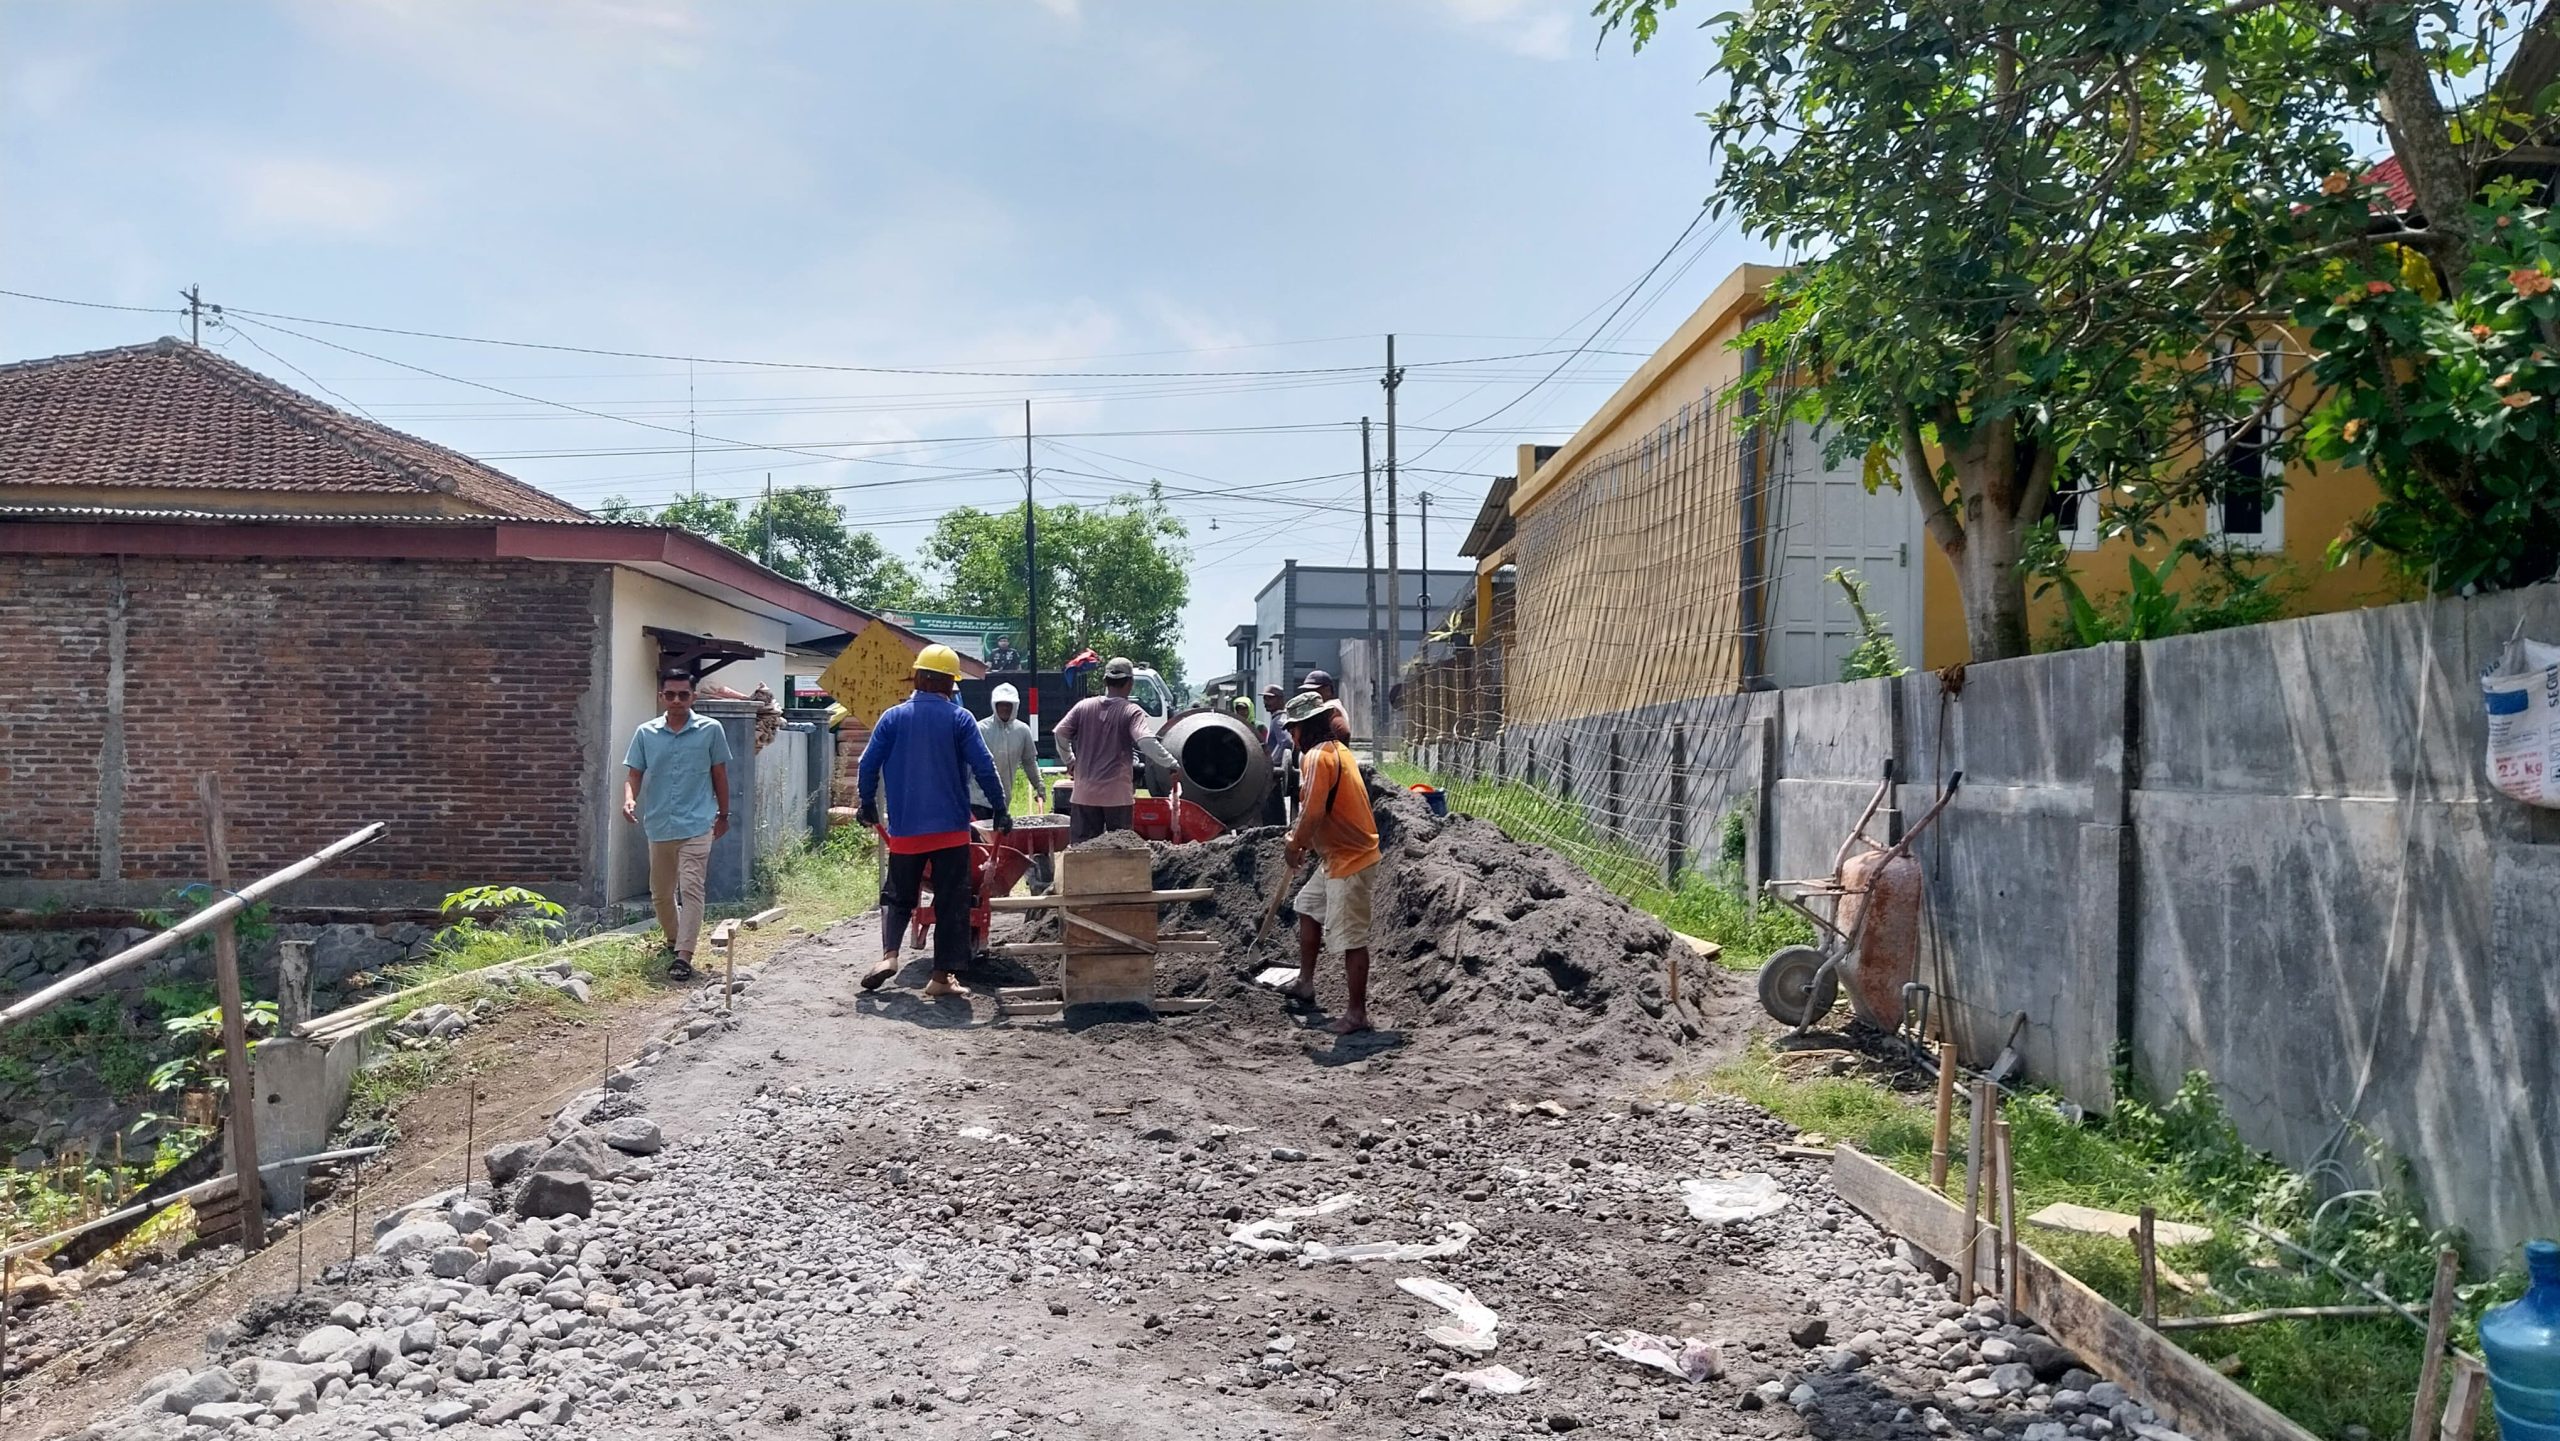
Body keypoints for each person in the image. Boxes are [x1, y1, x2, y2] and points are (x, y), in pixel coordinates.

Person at [857, 644, 1007, 998]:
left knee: (897, 895)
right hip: (951, 833)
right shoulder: (960, 719)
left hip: (905, 832)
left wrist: (867, 803)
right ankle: (941, 978)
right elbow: (984, 766)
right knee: (952, 903)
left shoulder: (892, 718)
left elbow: (867, 764)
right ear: (949, 684)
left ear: (917, 677)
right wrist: (1000, 807)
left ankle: (890, 956)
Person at [1278, 691, 1380, 1034]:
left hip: (1351, 859)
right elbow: (1320, 810)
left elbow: (1312, 811)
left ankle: (1357, 1014)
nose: (1292, 737)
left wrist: (1295, 843)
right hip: (1337, 855)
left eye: (1293, 730)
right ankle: (1305, 983)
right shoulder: (1336, 751)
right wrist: (1306, 840)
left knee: (1352, 938)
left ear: (1304, 728)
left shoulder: (1317, 757)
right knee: (1307, 907)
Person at [622, 671, 731, 982]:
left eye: (683, 694)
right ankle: (673, 939)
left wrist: (724, 815)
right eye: (670, 695)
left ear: (693, 697)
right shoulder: (646, 733)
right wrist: (629, 799)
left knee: (692, 889)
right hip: (659, 824)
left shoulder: (711, 730)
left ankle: (684, 955)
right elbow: (634, 774)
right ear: (661, 697)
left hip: (697, 823)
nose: (676, 700)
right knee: (660, 893)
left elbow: (719, 774)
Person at [1052, 656, 1179, 842]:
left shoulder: (1083, 707)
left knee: (1081, 850)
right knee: (1120, 850)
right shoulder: (1131, 711)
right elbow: (1145, 741)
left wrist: (1070, 761)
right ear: (1130, 683)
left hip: (1084, 794)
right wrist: (1171, 764)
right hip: (1117, 796)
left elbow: (1060, 734)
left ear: (1105, 681)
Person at [972, 682, 1041, 821]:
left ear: (1015, 706)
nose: (1004, 708)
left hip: (1004, 798)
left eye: (1008, 705)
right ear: (994, 705)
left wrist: (1039, 785)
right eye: (1001, 704)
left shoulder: (1022, 731)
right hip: (979, 799)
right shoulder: (980, 729)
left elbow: (1029, 761)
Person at [1259, 683, 1294, 826]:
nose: (1266, 702)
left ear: (1280, 699)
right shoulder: (1277, 718)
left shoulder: (1279, 720)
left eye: (1270, 698)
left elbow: (1286, 742)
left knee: (1272, 812)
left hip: (1274, 774)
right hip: (1274, 773)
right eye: (1265, 699)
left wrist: (1272, 763)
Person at [1297, 669, 1357, 747]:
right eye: (1307, 690)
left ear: (1328, 690)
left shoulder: (1330, 708)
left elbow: (1343, 732)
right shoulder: (1322, 707)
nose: (1309, 694)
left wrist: (1334, 749)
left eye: (1314, 690)